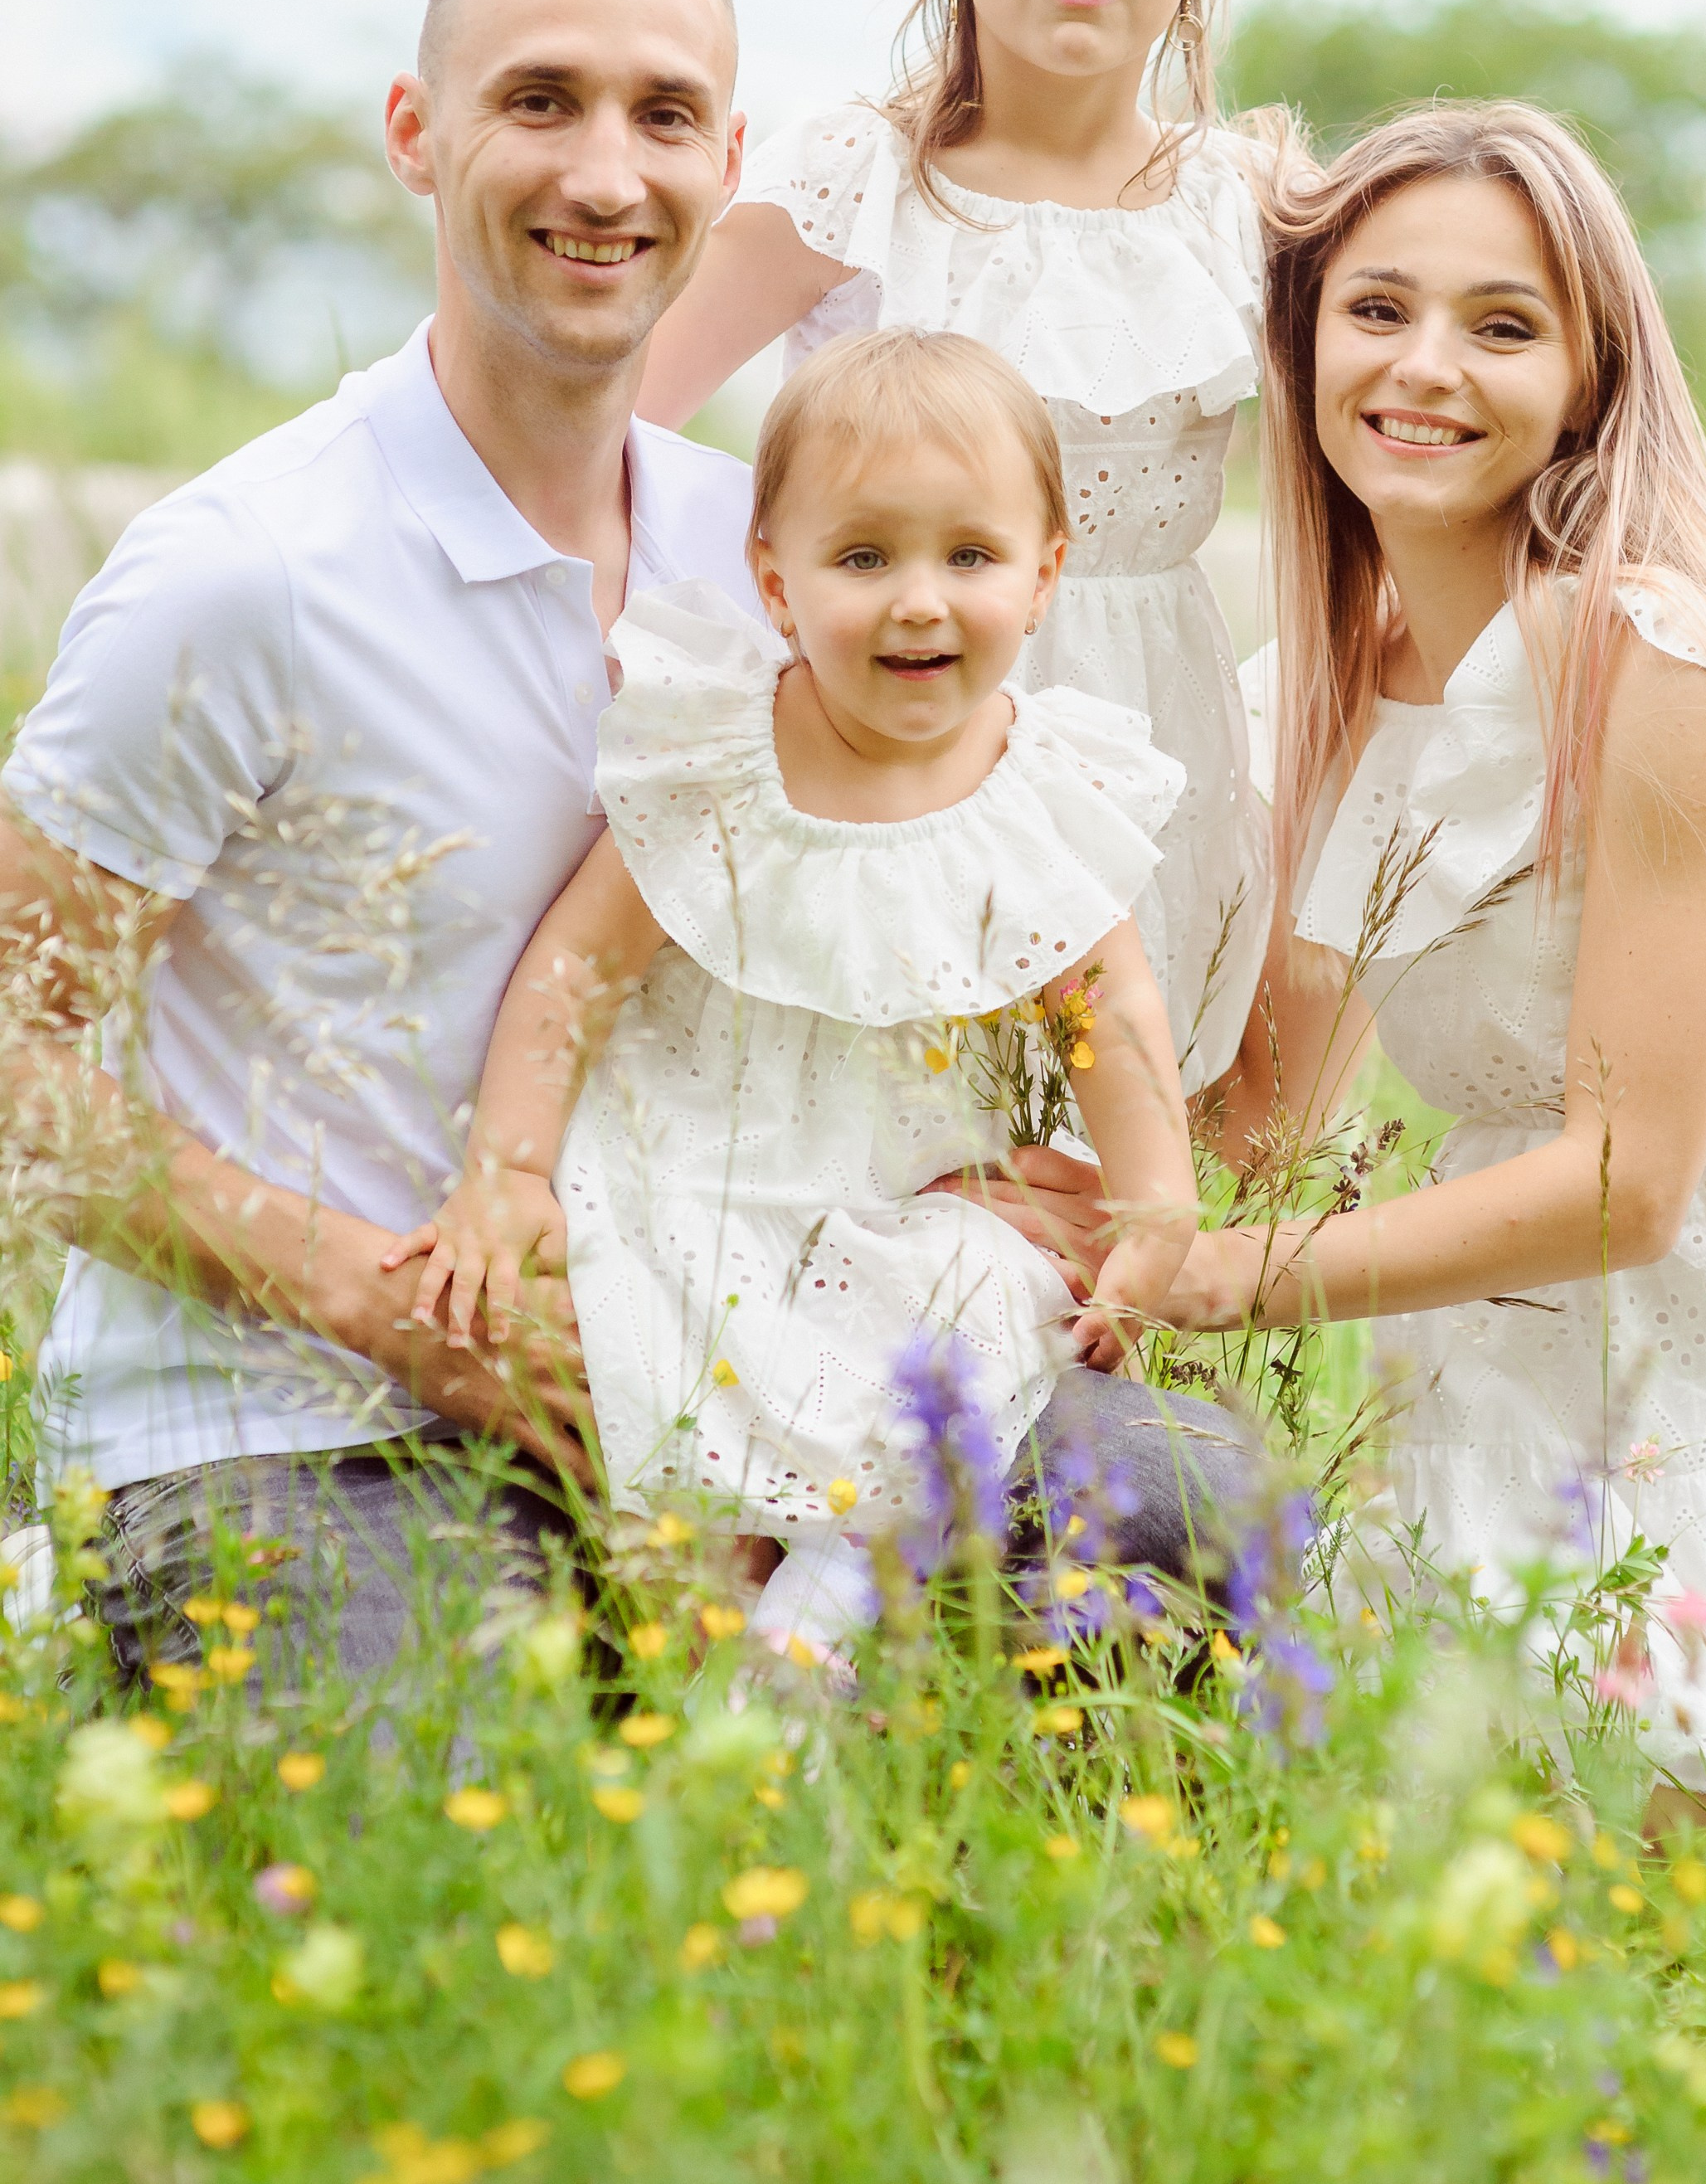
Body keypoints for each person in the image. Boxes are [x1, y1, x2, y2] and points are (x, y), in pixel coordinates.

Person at [1016, 102, 1706, 1830]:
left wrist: (1217, 1279)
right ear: (1302, 346)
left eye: (1502, 323)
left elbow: (1628, 1180)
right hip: (1493, 1341)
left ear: (1591, 375)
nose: (1424, 365)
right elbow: (1265, 1119)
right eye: (1375, 308)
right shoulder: (1318, 679)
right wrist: (1046, 1107)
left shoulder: (1660, 654)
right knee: (1520, 1887)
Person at [0, 0, 758, 1675]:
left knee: (1158, 1501)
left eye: (663, 114)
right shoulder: (245, 569)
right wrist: (388, 1304)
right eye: (539, 100)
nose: (604, 173)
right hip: (277, 1433)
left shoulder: (765, 558)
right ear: (419, 134)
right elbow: (14, 1049)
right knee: (482, 1868)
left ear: (731, 158)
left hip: (670, 1426)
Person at [382, 328, 1213, 1661]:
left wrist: (1155, 1201)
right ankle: (692, 1651)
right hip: (695, 1177)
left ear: (1046, 573)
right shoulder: (723, 753)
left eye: (971, 556)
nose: (920, 602)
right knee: (662, 1396)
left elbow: (1104, 1009)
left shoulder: (1041, 783)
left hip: (902, 1193)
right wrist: (511, 1168)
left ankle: (814, 1635)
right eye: (863, 557)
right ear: (775, 579)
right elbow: (575, 969)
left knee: (967, 1327)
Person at [634, 0, 1272, 1093]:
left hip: (1146, 727)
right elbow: (615, 414)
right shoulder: (858, 178)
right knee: (876, 1122)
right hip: (885, 698)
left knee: (1096, 1163)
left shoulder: (1236, 207)